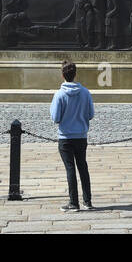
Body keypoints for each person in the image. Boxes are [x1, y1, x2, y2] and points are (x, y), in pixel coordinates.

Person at [50, 61, 95, 211]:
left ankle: (73, 202)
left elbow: (56, 118)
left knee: (70, 169)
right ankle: (87, 201)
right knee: (83, 167)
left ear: (62, 75)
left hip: (65, 137)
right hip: (81, 136)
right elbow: (90, 114)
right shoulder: (85, 92)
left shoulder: (59, 94)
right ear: (75, 74)